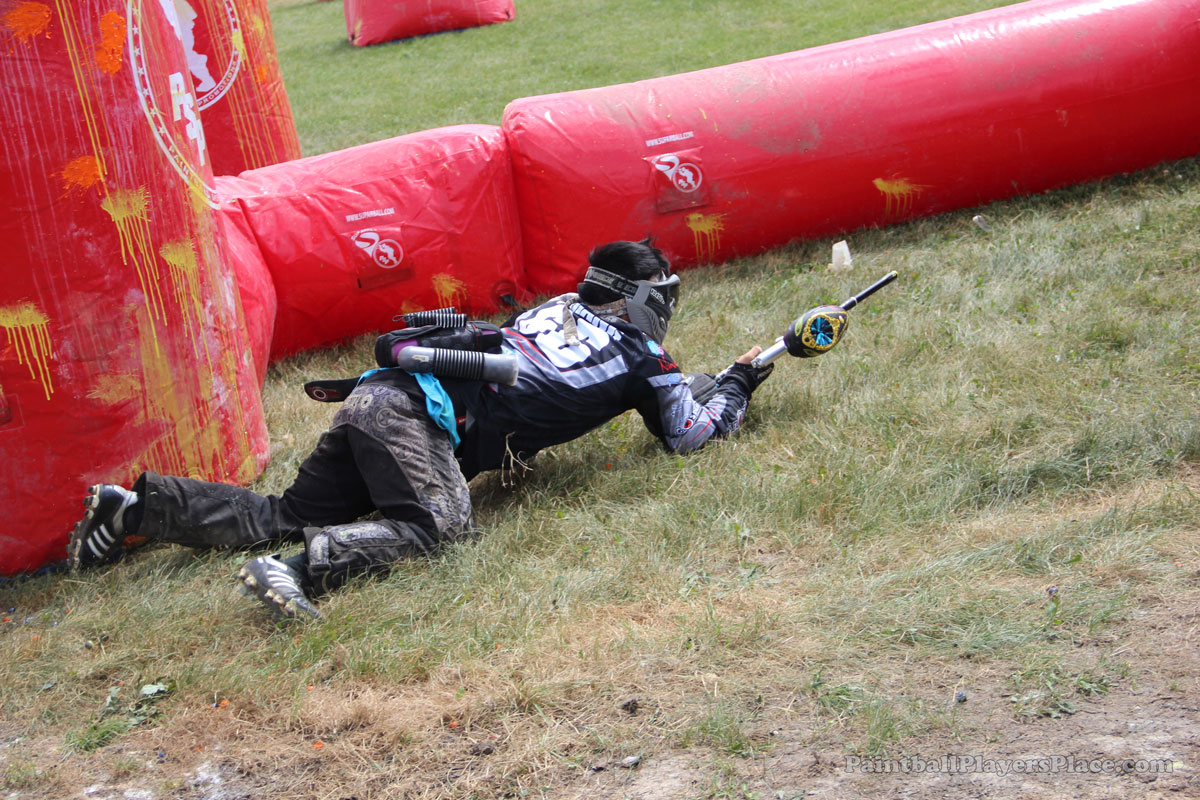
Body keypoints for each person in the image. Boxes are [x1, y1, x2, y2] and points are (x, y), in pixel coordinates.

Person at [67, 239, 772, 619]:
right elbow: (689, 435)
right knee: (441, 527)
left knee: (285, 512)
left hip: (377, 395)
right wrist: (739, 381)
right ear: (644, 300)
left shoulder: (550, 308)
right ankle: (300, 570)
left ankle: (135, 508)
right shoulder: (644, 355)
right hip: (417, 419)